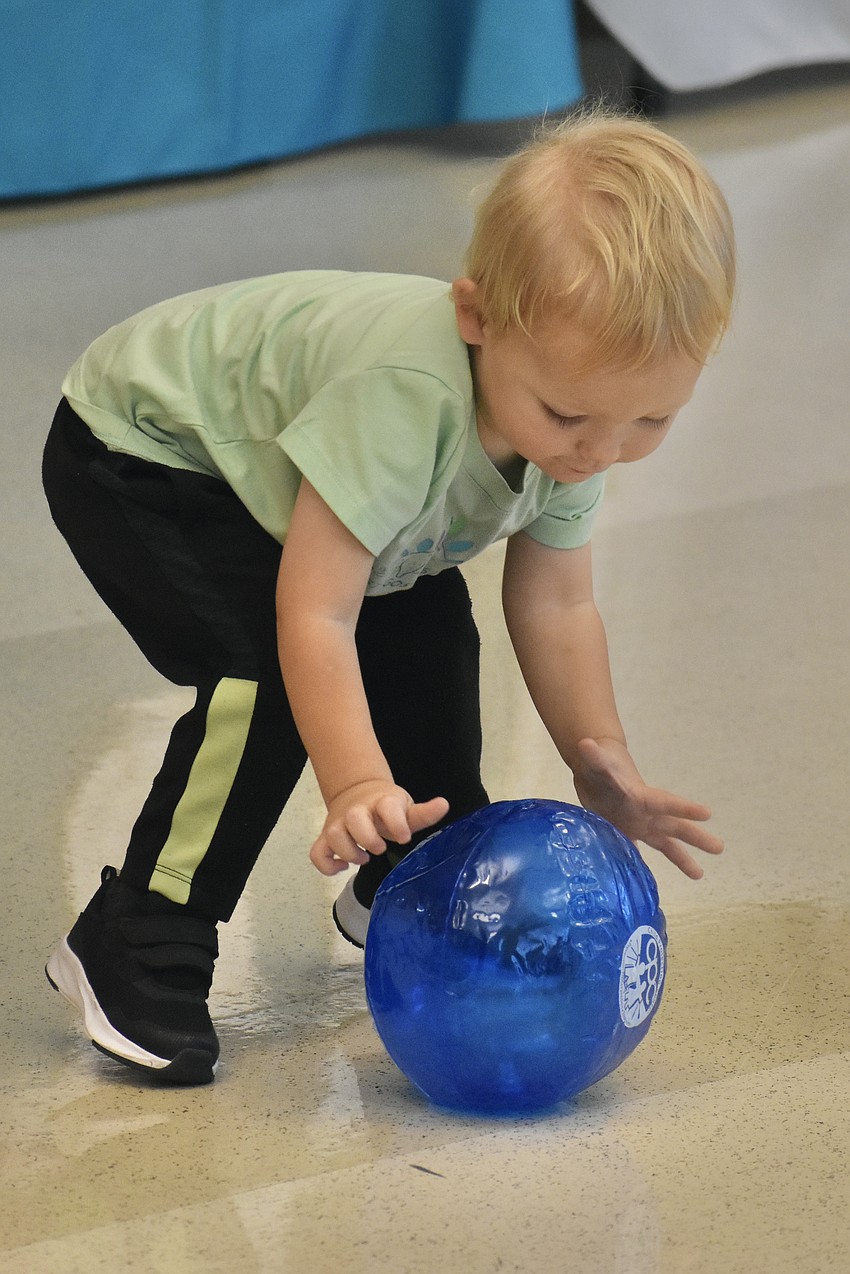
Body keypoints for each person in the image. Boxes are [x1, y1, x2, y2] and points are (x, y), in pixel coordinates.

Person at [43, 108, 734, 1085]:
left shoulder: (582, 405)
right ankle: (140, 932)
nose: (596, 453)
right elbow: (314, 614)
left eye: (648, 421)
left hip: (281, 476)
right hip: (146, 451)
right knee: (264, 677)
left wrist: (598, 754)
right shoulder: (406, 400)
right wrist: (357, 781)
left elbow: (556, 604)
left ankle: (409, 871)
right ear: (476, 318)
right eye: (569, 416)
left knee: (422, 620)